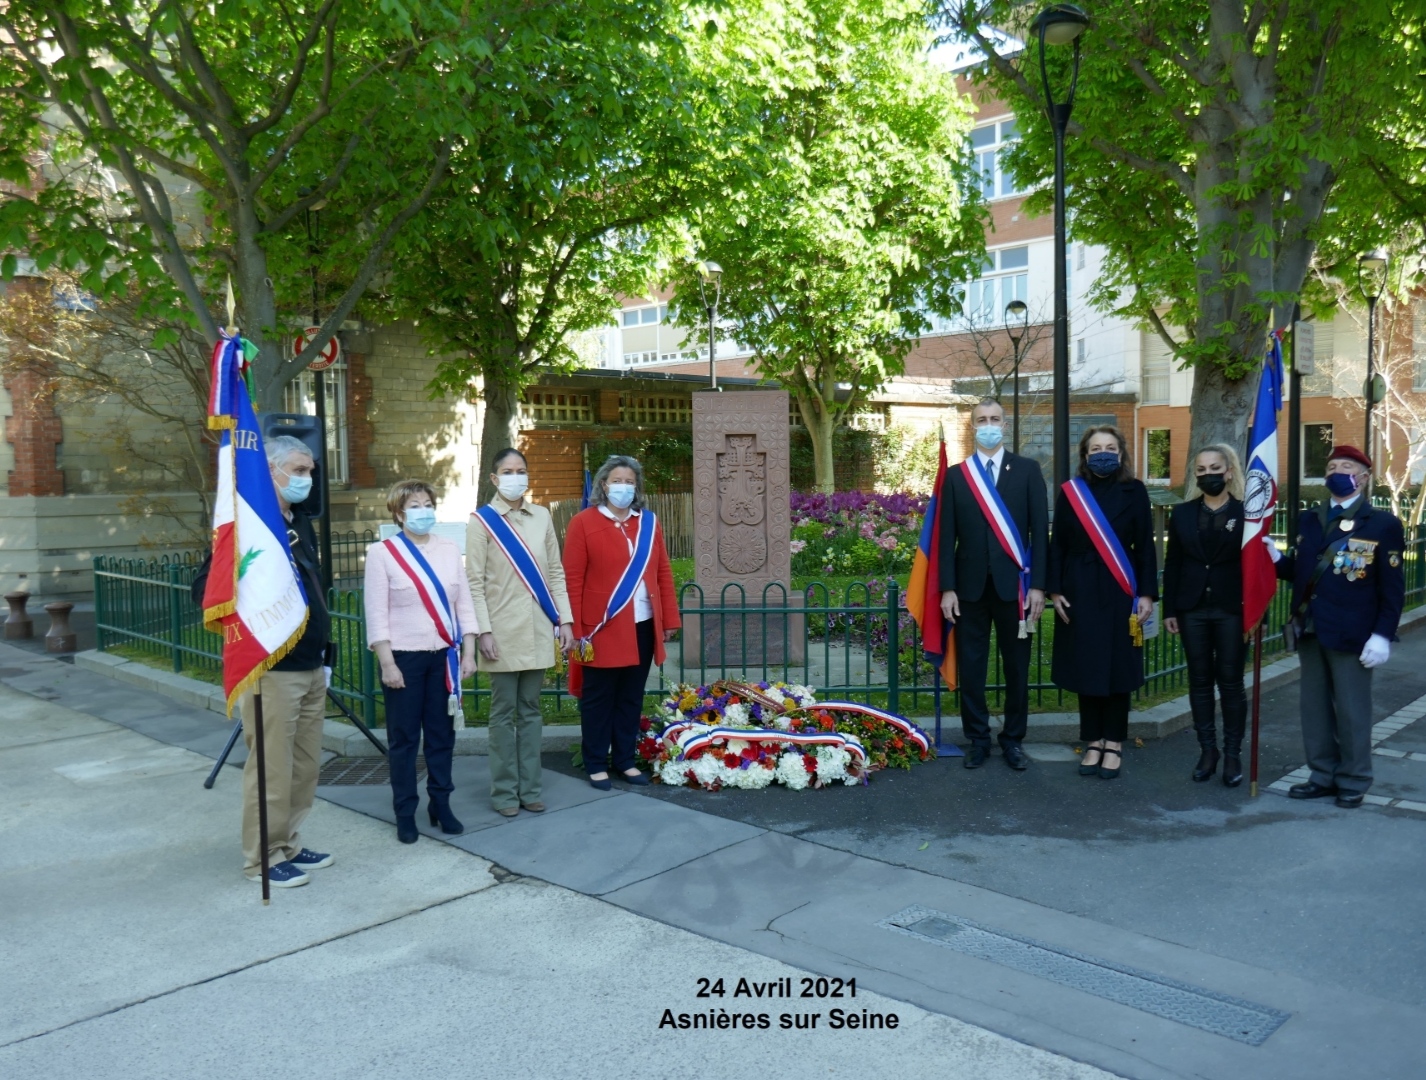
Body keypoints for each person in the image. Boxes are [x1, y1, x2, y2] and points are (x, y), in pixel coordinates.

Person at [191, 434, 333, 888]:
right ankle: (263, 858)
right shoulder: (248, 527)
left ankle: (287, 841)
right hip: (270, 669)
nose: (306, 479)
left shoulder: (299, 522)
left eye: (309, 470)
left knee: (305, 765)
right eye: (297, 469)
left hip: (310, 665)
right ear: (267, 471)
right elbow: (205, 591)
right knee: (271, 767)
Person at [1269, 445, 1404, 809]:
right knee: (1313, 709)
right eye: (1331, 465)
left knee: (1351, 710)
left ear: (1363, 477)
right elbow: (1302, 571)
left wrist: (1382, 634)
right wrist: (1276, 559)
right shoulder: (1311, 519)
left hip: (1354, 632)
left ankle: (1354, 779)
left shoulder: (1382, 524)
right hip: (1311, 625)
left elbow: (1392, 588)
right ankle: (1322, 775)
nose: (1337, 471)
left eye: (1347, 466)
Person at [938, 397, 1049, 770]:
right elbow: (945, 536)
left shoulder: (1028, 470)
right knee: (972, 668)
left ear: (1005, 425)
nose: (989, 424)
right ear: (972, 427)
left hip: (1015, 588)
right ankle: (978, 740)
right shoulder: (957, 475)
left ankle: (1013, 740)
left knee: (1017, 668)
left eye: (995, 419)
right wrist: (947, 588)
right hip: (969, 588)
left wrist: (1039, 586)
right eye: (982, 419)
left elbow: (1040, 533)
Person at [364, 480, 478, 843]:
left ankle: (441, 804)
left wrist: (470, 650)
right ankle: (405, 811)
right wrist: (387, 662)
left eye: (428, 504)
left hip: (443, 658)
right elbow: (376, 613)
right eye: (415, 505)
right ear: (398, 512)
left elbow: (464, 603)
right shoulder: (383, 554)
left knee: (442, 737)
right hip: (404, 660)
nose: (423, 511)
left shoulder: (448, 550)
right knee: (404, 739)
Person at [467, 448, 574, 817]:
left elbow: (556, 574)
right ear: (494, 479)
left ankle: (530, 789)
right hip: (501, 632)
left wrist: (565, 621)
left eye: (521, 470)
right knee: (502, 714)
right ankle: (503, 793)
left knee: (530, 711)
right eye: (508, 471)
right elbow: (474, 582)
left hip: (539, 628)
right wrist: (483, 630)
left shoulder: (541, 516)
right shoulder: (481, 522)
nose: (516, 477)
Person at [563, 455, 679, 790]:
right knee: (598, 698)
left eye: (629, 482)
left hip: (642, 624)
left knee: (630, 696)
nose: (623, 487)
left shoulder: (648, 523)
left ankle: (625, 760)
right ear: (603, 484)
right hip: (600, 628)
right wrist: (575, 627)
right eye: (617, 481)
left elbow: (663, 572)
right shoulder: (583, 523)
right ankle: (596, 762)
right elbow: (572, 579)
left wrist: (668, 618)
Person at [1048, 426, 1157, 781]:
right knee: (1087, 666)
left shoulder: (1135, 491)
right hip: (1079, 586)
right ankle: (1092, 741)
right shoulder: (1071, 493)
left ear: (1121, 453)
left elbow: (1146, 545)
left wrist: (1146, 593)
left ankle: (1114, 743)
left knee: (1117, 669)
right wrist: (1054, 589)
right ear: (1085, 454)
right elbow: (1058, 545)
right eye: (1096, 448)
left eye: (1110, 447)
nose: (1103, 453)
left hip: (1120, 588)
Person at [1162, 445, 1247, 786]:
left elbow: (1255, 569)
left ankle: (1233, 754)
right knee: (1199, 682)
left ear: (1228, 472)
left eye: (1215, 468)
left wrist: (1258, 612)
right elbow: (1173, 564)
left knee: (1230, 682)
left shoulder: (1247, 514)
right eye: (1201, 469)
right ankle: (1207, 750)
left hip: (1232, 609)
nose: (1208, 474)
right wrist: (1170, 609)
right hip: (1192, 608)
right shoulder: (1182, 513)